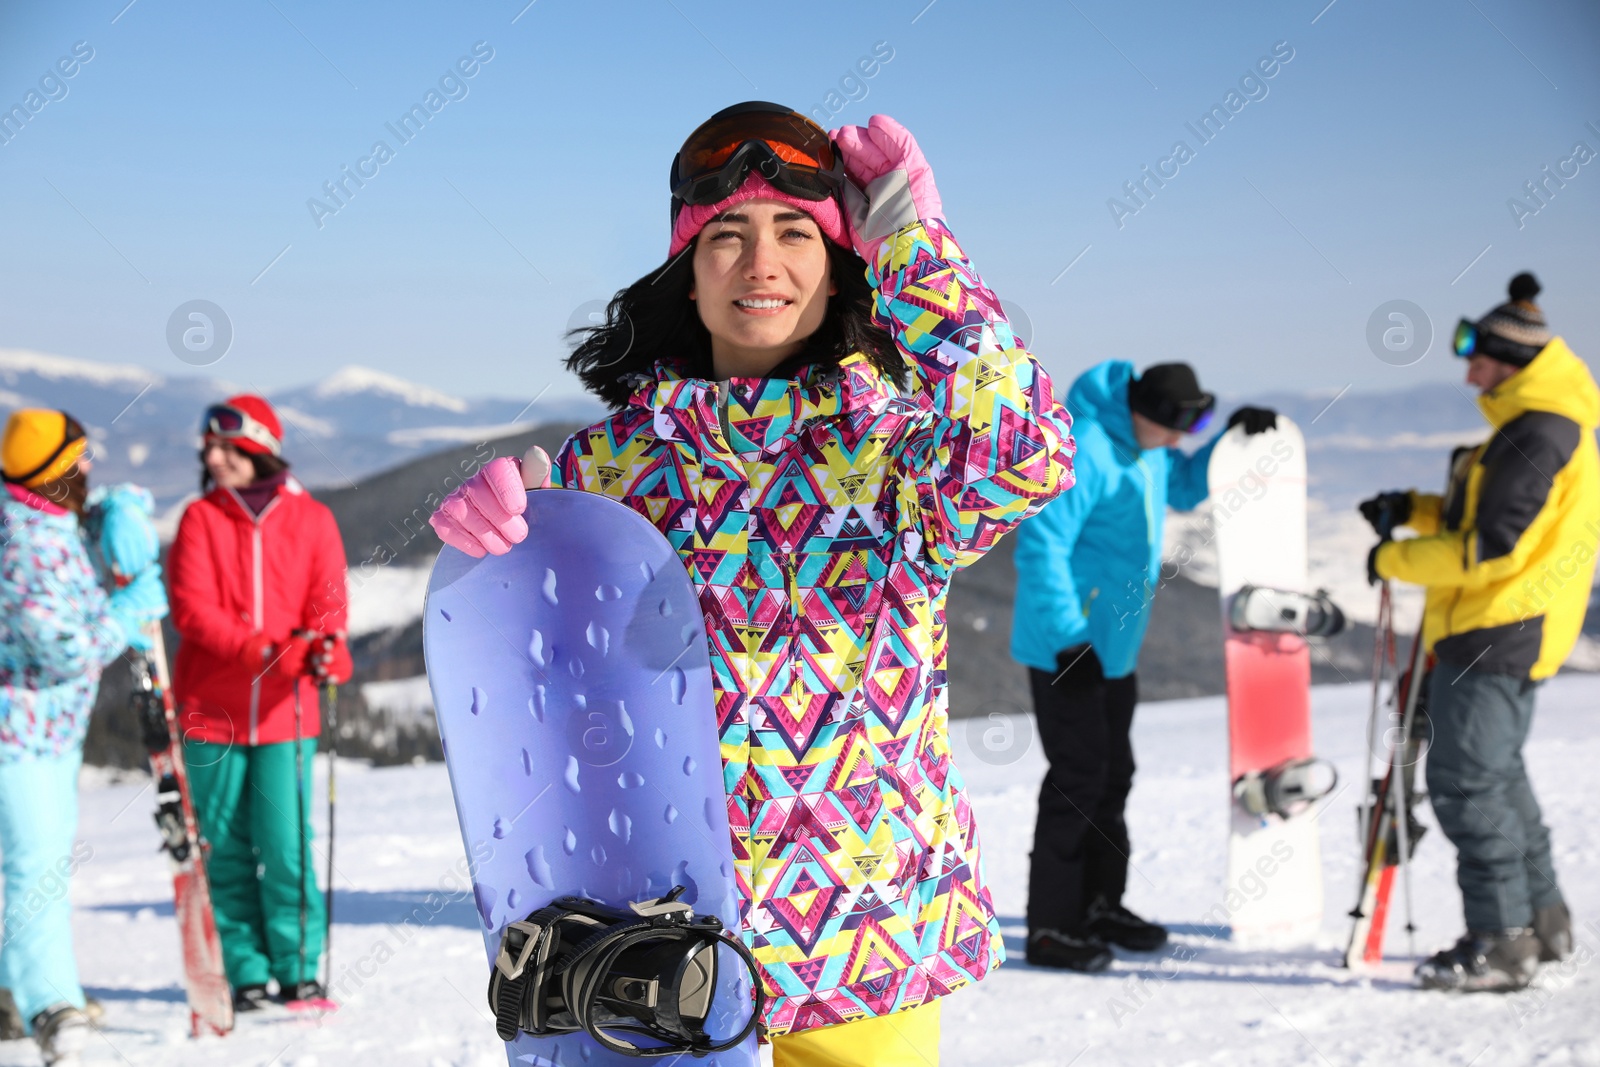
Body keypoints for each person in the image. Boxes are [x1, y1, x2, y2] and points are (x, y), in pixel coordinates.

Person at [431, 103, 1075, 1064]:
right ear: (687, 276)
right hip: (665, 960)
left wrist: (913, 243)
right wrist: (511, 538)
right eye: (724, 236)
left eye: (795, 233)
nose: (759, 263)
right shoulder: (608, 475)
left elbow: (1026, 454)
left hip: (870, 948)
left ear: (842, 263)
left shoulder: (901, 457)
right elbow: (540, 686)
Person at [1362, 273, 1597, 992]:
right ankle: (1543, 920)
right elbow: (1487, 516)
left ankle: (1501, 940)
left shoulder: (1540, 428)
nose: (1467, 371)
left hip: (1497, 625)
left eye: (1477, 356)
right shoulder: (1542, 420)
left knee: (1466, 782)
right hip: (1510, 623)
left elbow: (1490, 546)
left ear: (1508, 357)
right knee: (1499, 774)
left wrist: (1390, 556)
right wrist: (1415, 506)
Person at [1008, 361, 1278, 971]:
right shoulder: (1085, 454)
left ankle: (1100, 904)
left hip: (1112, 649)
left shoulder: (1149, 448)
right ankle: (1053, 927)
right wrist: (1068, 641)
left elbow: (1181, 483)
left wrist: (1228, 441)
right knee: (1078, 782)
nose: (1182, 436)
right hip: (1067, 648)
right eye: (1177, 424)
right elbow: (1041, 547)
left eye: (1195, 422)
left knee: (1112, 777)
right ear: (1140, 412)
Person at [165, 395, 352, 1011]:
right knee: (223, 844)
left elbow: (328, 614)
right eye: (208, 449)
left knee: (285, 842)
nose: (214, 458)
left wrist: (331, 654)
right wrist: (267, 650)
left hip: (285, 714)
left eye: (226, 447)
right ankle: (244, 972)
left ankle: (299, 970)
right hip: (209, 711)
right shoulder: (199, 519)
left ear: (258, 446)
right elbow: (194, 612)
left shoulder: (313, 521)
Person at [0, 409, 167, 1063]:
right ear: (54, 471)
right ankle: (52, 1005)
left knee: (34, 866)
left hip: (45, 733)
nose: (90, 467)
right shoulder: (24, 545)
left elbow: (74, 515)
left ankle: (14, 993)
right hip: (21, 738)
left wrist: (114, 512)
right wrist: (128, 611)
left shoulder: (37, 515)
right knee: (36, 871)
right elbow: (68, 648)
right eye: (81, 458)